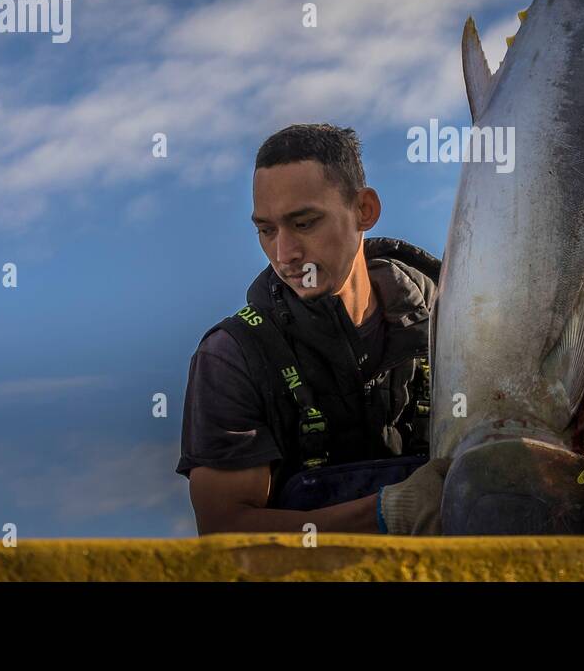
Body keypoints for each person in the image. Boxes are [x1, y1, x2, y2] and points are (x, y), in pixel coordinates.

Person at [176, 123, 451, 535]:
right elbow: (225, 530)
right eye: (267, 230)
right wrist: (388, 513)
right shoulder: (232, 357)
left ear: (364, 210)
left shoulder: (455, 325)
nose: (284, 254)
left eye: (304, 223)